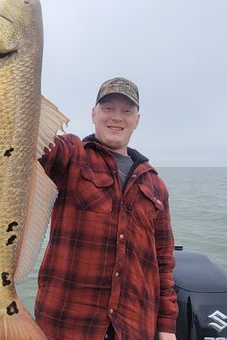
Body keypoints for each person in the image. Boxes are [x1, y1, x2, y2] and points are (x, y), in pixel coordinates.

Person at [34, 77, 178, 340]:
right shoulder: (72, 155)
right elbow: (32, 144)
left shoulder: (156, 185)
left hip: (135, 328)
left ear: (137, 119)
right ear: (93, 114)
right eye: (108, 108)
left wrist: (167, 327)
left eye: (127, 111)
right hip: (66, 326)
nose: (117, 117)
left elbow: (164, 261)